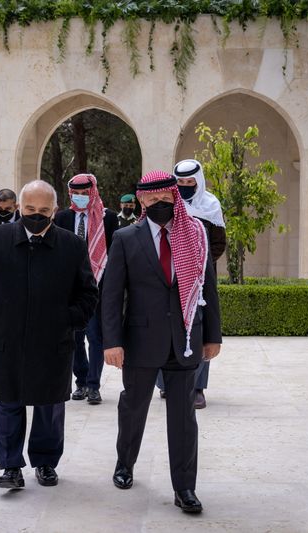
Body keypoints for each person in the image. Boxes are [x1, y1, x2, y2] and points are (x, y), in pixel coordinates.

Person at [102, 170, 221, 513]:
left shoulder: (195, 234)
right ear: (141, 200)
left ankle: (185, 489)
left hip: (185, 339)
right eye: (151, 200)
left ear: (174, 197)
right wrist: (112, 342)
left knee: (183, 417)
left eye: (165, 199)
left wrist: (212, 335)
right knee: (133, 406)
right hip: (140, 341)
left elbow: (208, 287)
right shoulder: (126, 238)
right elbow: (112, 295)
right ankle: (125, 463)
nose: (159, 205)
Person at [0, 180, 98, 489]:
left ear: (54, 211)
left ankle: (45, 462)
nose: (35, 215)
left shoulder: (72, 245)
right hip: (6, 340)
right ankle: (10, 467)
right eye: (29, 209)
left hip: (53, 342)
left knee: (49, 406)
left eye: (43, 210)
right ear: (18, 208)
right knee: (9, 404)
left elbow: (88, 295)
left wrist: (66, 319)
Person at [155, 159, 227, 408]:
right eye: (181, 182)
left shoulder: (211, 205)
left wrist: (195, 262)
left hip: (201, 279)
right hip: (170, 277)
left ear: (198, 181)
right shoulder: (169, 205)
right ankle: (165, 385)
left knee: (200, 330)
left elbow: (218, 243)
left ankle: (197, 388)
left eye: (189, 182)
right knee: (167, 326)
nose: (185, 186)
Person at [54, 174, 117, 405]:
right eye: (76, 194)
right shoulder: (62, 217)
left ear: (92, 192)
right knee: (75, 337)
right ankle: (80, 382)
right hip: (70, 288)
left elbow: (113, 253)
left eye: (84, 193)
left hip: (96, 285)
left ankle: (93, 385)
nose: (80, 198)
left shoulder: (107, 217)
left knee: (95, 336)